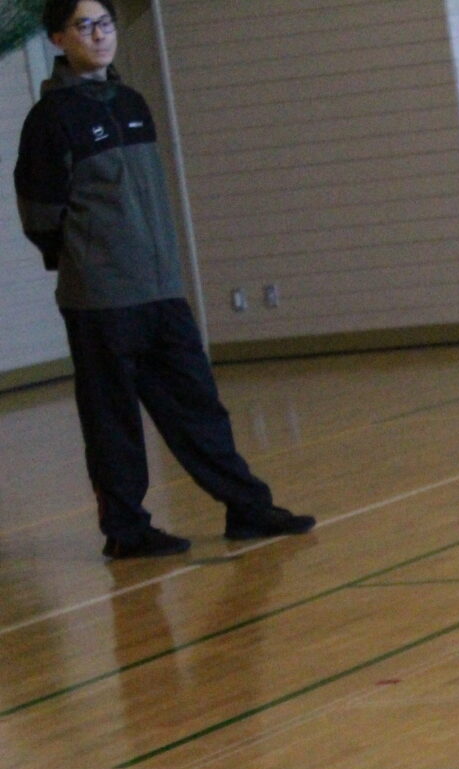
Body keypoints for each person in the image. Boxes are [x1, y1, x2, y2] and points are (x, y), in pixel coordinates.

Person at [13, 0, 314, 560]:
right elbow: (40, 216)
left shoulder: (132, 103)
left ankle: (247, 508)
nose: (100, 35)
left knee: (198, 406)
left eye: (106, 24)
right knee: (113, 421)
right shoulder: (49, 120)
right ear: (58, 38)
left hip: (161, 291)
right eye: (85, 26)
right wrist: (86, 260)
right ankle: (127, 530)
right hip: (101, 300)